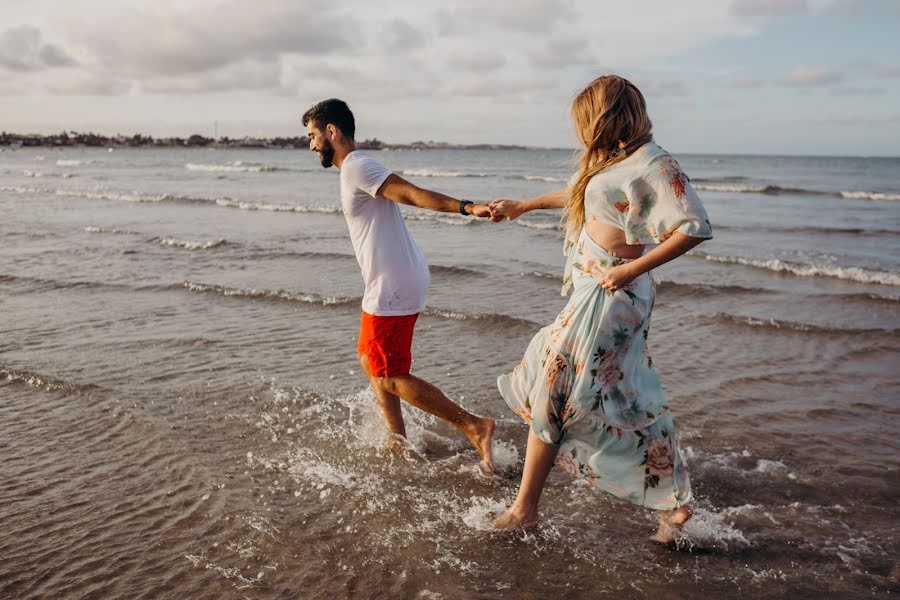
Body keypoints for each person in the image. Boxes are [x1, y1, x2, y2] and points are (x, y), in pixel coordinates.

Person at [487, 75, 713, 543]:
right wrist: (522, 206)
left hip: (614, 296)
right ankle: (672, 507)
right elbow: (579, 197)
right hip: (593, 289)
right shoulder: (606, 162)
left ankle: (525, 508)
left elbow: (692, 226)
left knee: (556, 386)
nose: (578, 131)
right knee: (622, 397)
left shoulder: (652, 161)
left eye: (582, 120)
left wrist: (630, 272)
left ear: (603, 117)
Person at [302, 99, 495, 471]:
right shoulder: (353, 170)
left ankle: (475, 426)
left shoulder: (357, 165)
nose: (311, 145)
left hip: (393, 284)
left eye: (313, 135)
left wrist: (467, 207)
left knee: (389, 375)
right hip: (387, 282)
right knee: (369, 359)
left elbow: (410, 194)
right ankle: (398, 438)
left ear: (332, 132)